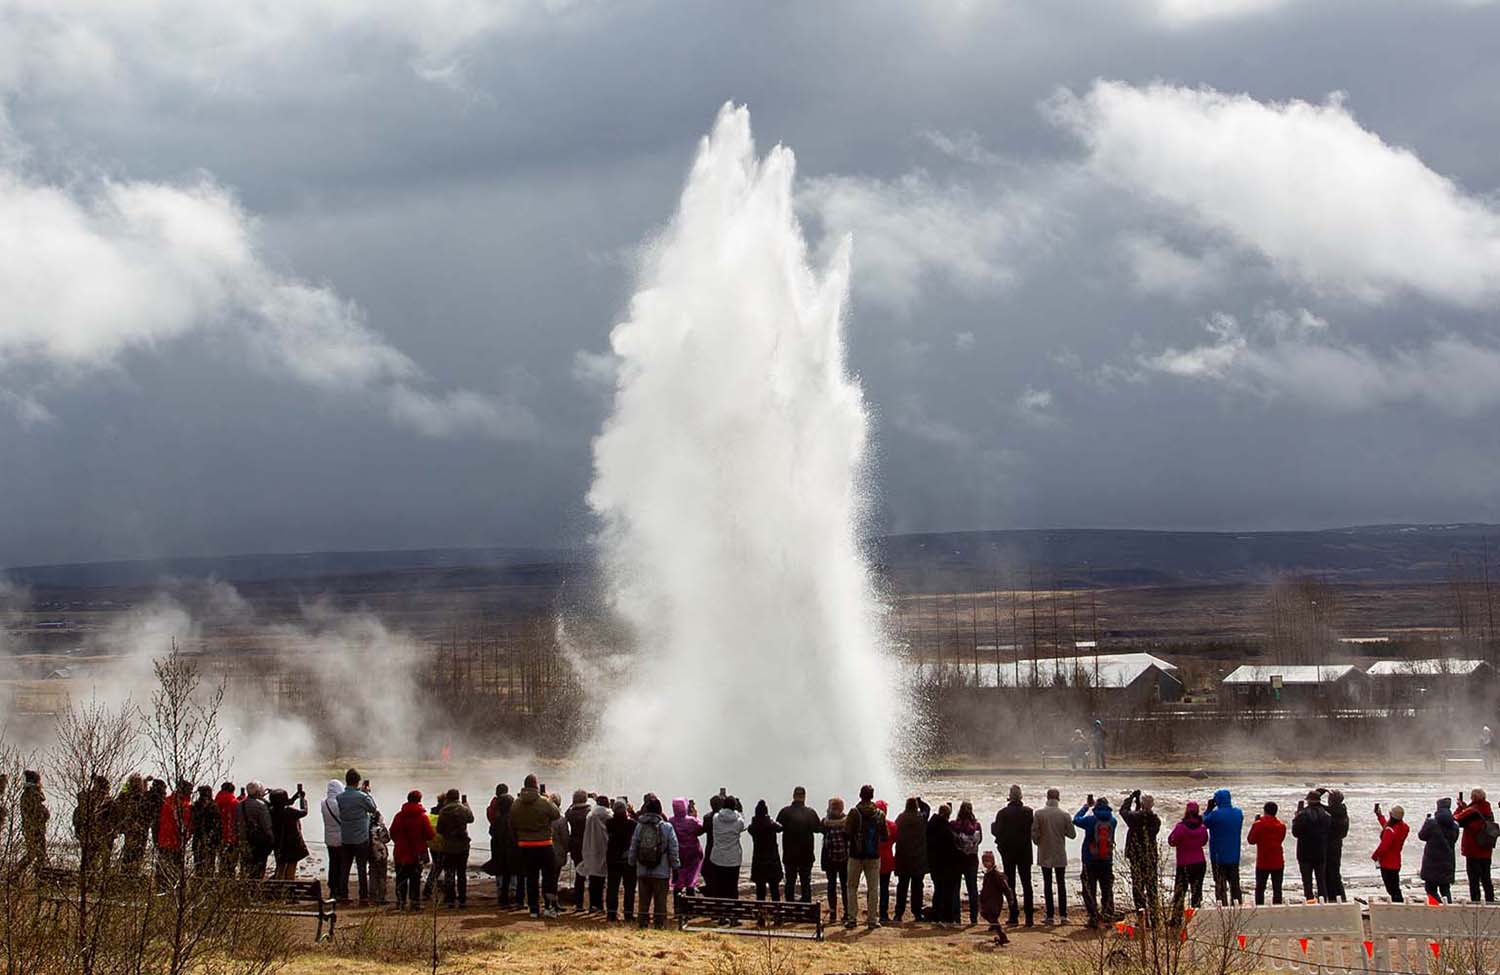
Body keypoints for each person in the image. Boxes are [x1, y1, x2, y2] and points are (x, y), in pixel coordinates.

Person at [511, 775, 563, 918]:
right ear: (536, 785)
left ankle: (533, 909)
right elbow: (556, 814)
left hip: (525, 846)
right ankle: (549, 907)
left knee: (531, 878)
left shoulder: (516, 804)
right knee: (549, 877)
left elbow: (513, 822)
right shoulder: (543, 802)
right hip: (544, 844)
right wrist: (548, 800)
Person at [629, 795, 680, 930]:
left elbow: (634, 845)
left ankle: (642, 924)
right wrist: (676, 867)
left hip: (643, 869)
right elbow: (673, 849)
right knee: (660, 901)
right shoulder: (667, 827)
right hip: (661, 871)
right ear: (660, 811)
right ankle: (659, 924)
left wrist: (632, 862)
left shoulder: (639, 826)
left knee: (643, 900)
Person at [846, 785, 888, 930]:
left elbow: (847, 833)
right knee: (873, 889)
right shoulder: (879, 814)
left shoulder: (853, 812)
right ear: (872, 796)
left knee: (852, 887)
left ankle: (852, 919)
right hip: (873, 856)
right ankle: (872, 920)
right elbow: (885, 836)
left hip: (855, 856)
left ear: (860, 795)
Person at [1032, 787, 1076, 924]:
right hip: (1059, 853)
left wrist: (1039, 842)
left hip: (1045, 852)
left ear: (1047, 797)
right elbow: (1072, 835)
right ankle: (1063, 915)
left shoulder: (1039, 814)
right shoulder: (1064, 814)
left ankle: (1049, 915)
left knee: (1047, 883)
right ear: (1058, 798)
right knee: (1061, 883)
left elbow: (1034, 835)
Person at [993, 785, 1035, 928]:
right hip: (1025, 852)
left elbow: (997, 831)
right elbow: (1032, 830)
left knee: (1010, 885)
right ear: (1021, 796)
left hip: (1008, 852)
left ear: (1010, 796)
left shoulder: (1003, 813)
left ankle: (1013, 915)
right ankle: (1029, 917)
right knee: (1027, 884)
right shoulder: (1028, 812)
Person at [336, 770, 379, 907]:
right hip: (361, 838)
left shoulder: (340, 797)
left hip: (346, 837)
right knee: (361, 869)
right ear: (358, 781)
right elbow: (373, 808)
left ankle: (343, 896)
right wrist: (366, 793)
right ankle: (363, 898)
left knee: (345, 869)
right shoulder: (362, 796)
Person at [1074, 795, 1117, 928]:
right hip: (1106, 860)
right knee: (1107, 889)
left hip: (1090, 860)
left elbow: (1075, 820)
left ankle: (1093, 917)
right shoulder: (1113, 821)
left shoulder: (1091, 820)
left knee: (1089, 890)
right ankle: (1108, 915)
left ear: (1096, 806)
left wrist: (1086, 807)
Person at [391, 790, 435, 911]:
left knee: (401, 879)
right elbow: (430, 835)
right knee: (415, 879)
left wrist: (400, 843)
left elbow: (392, 833)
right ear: (419, 800)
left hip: (400, 853)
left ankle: (401, 902)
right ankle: (414, 903)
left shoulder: (399, 816)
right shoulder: (422, 817)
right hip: (416, 853)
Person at [775, 786, 821, 903]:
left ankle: (790, 905)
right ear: (804, 797)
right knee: (806, 881)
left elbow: (777, 828)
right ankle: (806, 905)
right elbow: (818, 829)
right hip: (806, 854)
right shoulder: (810, 812)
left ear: (793, 796)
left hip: (790, 854)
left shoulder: (785, 812)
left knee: (790, 881)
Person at [1118, 790, 1160, 916]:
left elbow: (1123, 811)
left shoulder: (1134, 818)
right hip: (1150, 855)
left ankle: (1141, 916)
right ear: (1152, 805)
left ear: (1142, 804)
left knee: (1138, 886)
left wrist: (1131, 798)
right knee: (1152, 887)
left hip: (1135, 856)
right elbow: (1143, 821)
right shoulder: (1156, 820)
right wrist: (1138, 806)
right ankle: (1154, 916)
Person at [1202, 788, 1243, 905]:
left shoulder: (1215, 815)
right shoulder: (1238, 813)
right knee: (1235, 884)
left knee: (1220, 885)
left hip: (1218, 856)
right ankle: (1238, 907)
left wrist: (1208, 809)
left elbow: (1204, 822)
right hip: (1234, 855)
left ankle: (1222, 908)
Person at [1454, 788, 1495, 902]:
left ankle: (1476, 902)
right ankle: (1490, 901)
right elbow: (1475, 820)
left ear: (1474, 798)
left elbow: (1456, 820)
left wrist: (1459, 808)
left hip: (1473, 850)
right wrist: (1465, 808)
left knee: (1474, 879)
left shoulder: (1472, 811)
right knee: (1486, 878)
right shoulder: (1488, 810)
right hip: (1486, 850)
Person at [1168, 800, 1209, 914]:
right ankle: (1196, 917)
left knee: (1180, 894)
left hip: (1184, 863)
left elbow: (1172, 841)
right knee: (1196, 893)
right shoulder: (1202, 827)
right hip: (1200, 863)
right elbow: (1204, 842)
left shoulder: (1180, 827)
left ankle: (1176, 919)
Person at [893, 796, 929, 923]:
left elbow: (894, 833)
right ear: (916, 806)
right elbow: (927, 809)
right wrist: (921, 802)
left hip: (903, 858)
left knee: (902, 886)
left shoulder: (901, 818)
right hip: (918, 858)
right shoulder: (921, 818)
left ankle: (898, 913)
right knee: (917, 887)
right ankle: (917, 913)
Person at [435, 789, 474, 908]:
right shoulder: (463, 809)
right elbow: (471, 819)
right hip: (462, 846)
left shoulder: (443, 811)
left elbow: (439, 830)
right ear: (457, 797)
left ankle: (450, 899)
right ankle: (462, 900)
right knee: (462, 874)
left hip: (448, 847)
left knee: (449, 873)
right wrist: (467, 805)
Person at [1291, 790, 1332, 902]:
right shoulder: (1327, 816)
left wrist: (1295, 818)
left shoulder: (1302, 815)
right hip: (1320, 852)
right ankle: (1324, 901)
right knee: (1321, 880)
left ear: (1308, 801)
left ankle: (1309, 901)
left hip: (1304, 852)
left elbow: (1295, 833)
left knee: (1307, 881)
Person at [73, 774, 116, 876]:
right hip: (98, 836)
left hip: (90, 835)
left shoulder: (85, 801)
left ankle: (89, 883)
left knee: (89, 862)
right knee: (95, 862)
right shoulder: (101, 802)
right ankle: (93, 884)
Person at [1419, 797, 1460, 904]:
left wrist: (1426, 822)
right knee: (1445, 889)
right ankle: (1448, 909)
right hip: (1447, 861)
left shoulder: (1432, 823)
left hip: (1432, 861)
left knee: (1430, 889)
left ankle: (1436, 907)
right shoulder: (1455, 825)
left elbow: (1422, 836)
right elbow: (1454, 840)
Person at [1247, 801, 1286, 905]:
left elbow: (1251, 840)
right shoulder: (1281, 826)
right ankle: (1277, 907)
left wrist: (1254, 824)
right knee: (1277, 888)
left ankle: (1260, 907)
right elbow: (1280, 839)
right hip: (1278, 860)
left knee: (1260, 888)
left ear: (1265, 811)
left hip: (1263, 861)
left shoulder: (1259, 824)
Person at [156, 779, 194, 888]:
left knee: (163, 871)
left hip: (163, 840)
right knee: (175, 873)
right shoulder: (185, 805)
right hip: (176, 842)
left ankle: (160, 890)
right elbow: (186, 827)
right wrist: (186, 837)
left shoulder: (166, 801)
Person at [709, 794, 747, 900]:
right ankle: (732, 913)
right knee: (732, 887)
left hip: (718, 858)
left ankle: (720, 912)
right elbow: (743, 823)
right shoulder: (739, 821)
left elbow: (718, 812)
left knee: (719, 887)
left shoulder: (715, 818)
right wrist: (740, 810)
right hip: (733, 859)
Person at [927, 803, 960, 925]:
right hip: (946, 864)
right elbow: (952, 847)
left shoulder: (931, 825)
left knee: (938, 889)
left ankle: (936, 916)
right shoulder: (946, 829)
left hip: (934, 862)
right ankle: (947, 917)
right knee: (947, 891)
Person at [952, 800, 983, 927]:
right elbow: (980, 841)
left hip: (958, 859)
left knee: (955, 889)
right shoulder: (976, 825)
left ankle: (956, 917)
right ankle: (974, 917)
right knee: (972, 889)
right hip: (972, 858)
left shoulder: (954, 825)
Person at [487, 788, 520, 907]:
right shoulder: (513, 820)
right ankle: (513, 896)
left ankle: (503, 897)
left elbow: (492, 833)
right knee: (513, 874)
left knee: (503, 875)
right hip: (511, 851)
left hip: (500, 850)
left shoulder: (497, 820)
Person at [606, 799, 637, 922]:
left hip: (613, 859)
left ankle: (611, 913)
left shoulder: (609, 823)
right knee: (629, 888)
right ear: (625, 810)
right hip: (627, 859)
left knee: (612, 887)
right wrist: (632, 812)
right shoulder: (632, 824)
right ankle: (628, 913)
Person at [269, 785, 309, 880]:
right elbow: (304, 812)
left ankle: (278, 888)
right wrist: (303, 800)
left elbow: (284, 802)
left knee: (280, 866)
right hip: (292, 844)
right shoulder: (289, 811)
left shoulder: (270, 811)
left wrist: (295, 796)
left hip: (278, 843)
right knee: (291, 867)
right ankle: (289, 888)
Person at [748, 799, 784, 902]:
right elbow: (780, 827)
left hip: (758, 861)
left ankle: (761, 914)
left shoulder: (753, 827)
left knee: (760, 891)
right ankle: (776, 913)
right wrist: (770, 819)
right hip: (772, 861)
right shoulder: (771, 825)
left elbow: (750, 828)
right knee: (774, 890)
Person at [581, 794, 611, 912]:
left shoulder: (590, 815)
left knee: (593, 877)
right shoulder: (609, 815)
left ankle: (593, 904)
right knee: (603, 878)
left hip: (592, 847)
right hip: (604, 847)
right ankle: (601, 905)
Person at [822, 797, 851, 923]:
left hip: (830, 859)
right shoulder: (847, 822)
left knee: (831, 885)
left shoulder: (826, 822)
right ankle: (846, 912)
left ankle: (833, 913)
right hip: (844, 859)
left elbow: (820, 828)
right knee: (845, 886)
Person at [237, 781, 274, 878]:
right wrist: (271, 840)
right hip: (259, 842)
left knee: (246, 866)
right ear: (258, 792)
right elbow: (267, 825)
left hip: (245, 839)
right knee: (259, 867)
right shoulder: (261, 805)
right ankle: (256, 888)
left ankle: (245, 888)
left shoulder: (240, 805)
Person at [1372, 803, 1408, 903]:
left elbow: (1383, 847)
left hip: (1387, 863)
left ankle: (1398, 905)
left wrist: (1374, 856)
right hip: (1396, 861)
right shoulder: (1404, 827)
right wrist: (1379, 816)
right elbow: (1388, 826)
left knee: (1391, 888)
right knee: (1395, 886)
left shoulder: (1390, 831)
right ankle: (1399, 904)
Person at [979, 851, 1016, 946]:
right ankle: (996, 929)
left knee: (993, 917)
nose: (986, 863)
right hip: (987, 900)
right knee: (984, 914)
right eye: (984, 861)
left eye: (988, 861)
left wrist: (1010, 899)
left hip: (995, 901)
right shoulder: (987, 874)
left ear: (992, 861)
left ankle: (1002, 936)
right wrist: (981, 898)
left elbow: (1006, 888)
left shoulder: (997, 875)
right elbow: (984, 888)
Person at [669, 798, 705, 897]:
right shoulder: (692, 821)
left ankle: (677, 903)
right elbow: (701, 829)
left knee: (678, 878)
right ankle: (690, 900)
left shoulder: (671, 821)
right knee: (691, 878)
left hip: (678, 853)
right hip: (692, 853)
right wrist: (695, 817)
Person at [565, 789, 592, 912]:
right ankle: (593, 904)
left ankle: (579, 904)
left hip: (575, 845)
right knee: (593, 875)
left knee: (579, 875)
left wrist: (573, 803)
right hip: (588, 845)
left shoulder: (571, 813)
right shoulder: (589, 812)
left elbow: (566, 812)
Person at [118, 774, 151, 870]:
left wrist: (144, 782)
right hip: (134, 829)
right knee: (133, 853)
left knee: (135, 852)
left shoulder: (128, 795)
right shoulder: (131, 797)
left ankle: (131, 870)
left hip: (135, 828)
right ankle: (129, 871)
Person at [320, 780, 345, 900]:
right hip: (340, 838)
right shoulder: (339, 804)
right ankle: (339, 890)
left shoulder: (323, 803)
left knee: (332, 863)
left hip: (329, 838)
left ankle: (332, 888)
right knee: (341, 865)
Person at [19, 770, 49, 871]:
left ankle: (15, 875)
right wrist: (46, 813)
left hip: (30, 829)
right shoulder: (33, 794)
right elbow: (39, 814)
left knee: (32, 854)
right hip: (36, 829)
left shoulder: (26, 794)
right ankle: (39, 879)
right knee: (39, 855)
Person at [190, 784, 222, 875]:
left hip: (198, 839)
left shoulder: (195, 806)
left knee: (199, 866)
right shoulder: (213, 807)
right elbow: (217, 825)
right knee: (209, 867)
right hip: (210, 841)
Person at [1325, 789, 1349, 902]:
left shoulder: (1334, 812)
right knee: (1334, 872)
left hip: (1331, 845)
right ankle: (1339, 897)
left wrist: (1318, 794)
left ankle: (1334, 897)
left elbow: (1318, 806)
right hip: (1336, 845)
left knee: (1330, 872)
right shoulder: (1341, 811)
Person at [875, 799, 895, 924]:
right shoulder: (892, 826)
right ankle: (883, 913)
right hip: (887, 858)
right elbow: (895, 840)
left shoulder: (871, 825)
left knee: (872, 888)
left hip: (873, 858)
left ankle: (872, 912)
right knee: (884, 888)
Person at [550, 793, 571, 915]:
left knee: (548, 879)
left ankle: (550, 903)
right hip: (557, 852)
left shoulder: (544, 817)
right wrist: (567, 849)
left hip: (545, 850)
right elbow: (565, 838)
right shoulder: (561, 820)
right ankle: (553, 903)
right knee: (554, 879)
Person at [215, 781, 240, 876]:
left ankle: (222, 880)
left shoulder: (215, 801)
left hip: (219, 836)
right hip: (231, 837)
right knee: (231, 864)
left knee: (222, 861)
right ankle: (229, 882)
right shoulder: (234, 803)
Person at [369, 811, 392, 905]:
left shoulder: (369, 828)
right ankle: (381, 897)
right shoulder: (381, 828)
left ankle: (373, 896)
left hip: (371, 852)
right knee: (382, 875)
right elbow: (387, 839)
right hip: (381, 852)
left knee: (373, 874)